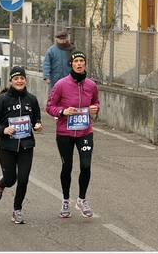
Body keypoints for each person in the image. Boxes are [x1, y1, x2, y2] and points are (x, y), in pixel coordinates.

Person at [45, 50, 100, 218]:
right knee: (67, 167)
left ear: (84, 64)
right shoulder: (61, 84)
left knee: (85, 165)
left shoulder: (91, 85)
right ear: (71, 64)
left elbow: (96, 102)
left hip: (85, 131)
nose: (79, 64)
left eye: (81, 61)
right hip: (65, 132)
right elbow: (49, 106)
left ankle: (82, 200)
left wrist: (95, 108)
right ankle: (66, 201)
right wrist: (62, 111)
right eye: (76, 61)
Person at [0, 66, 43, 224]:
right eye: (16, 78)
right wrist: (3, 129)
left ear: (25, 80)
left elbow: (36, 118)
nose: (19, 81)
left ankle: (17, 210)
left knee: (23, 179)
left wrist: (37, 125)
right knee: (11, 179)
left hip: (26, 145)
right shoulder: (3, 99)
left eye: (22, 78)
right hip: (6, 146)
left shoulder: (31, 99)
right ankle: (1, 183)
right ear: (11, 81)